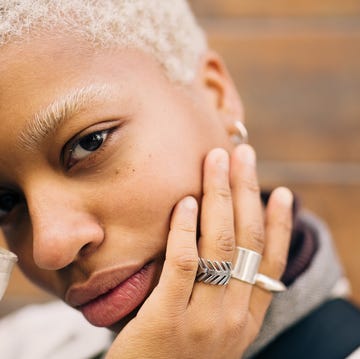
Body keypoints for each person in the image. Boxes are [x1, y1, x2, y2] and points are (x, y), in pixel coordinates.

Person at [0, 1, 359, 358]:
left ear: (218, 96)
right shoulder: (24, 343)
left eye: (88, 143)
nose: (50, 248)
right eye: (5, 202)